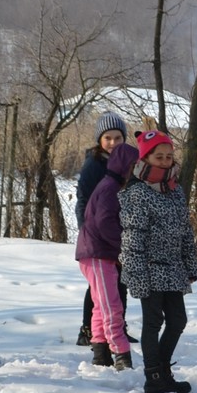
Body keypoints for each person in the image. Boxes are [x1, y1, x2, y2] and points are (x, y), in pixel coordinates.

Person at [119, 130, 197, 393]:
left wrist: (191, 265)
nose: (165, 161)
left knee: (178, 320)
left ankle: (163, 370)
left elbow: (185, 230)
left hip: (174, 268)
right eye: (158, 156)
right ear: (146, 158)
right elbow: (132, 237)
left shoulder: (175, 189)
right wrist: (136, 275)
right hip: (149, 268)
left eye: (168, 156)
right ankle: (154, 377)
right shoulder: (137, 192)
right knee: (153, 322)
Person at [76, 142, 138, 371]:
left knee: (101, 306)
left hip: (96, 253)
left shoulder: (111, 186)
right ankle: (121, 354)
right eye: (133, 166)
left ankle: (100, 353)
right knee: (112, 306)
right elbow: (104, 223)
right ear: (124, 166)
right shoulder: (110, 188)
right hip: (97, 254)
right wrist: (124, 246)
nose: (135, 172)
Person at [73, 111, 128, 346]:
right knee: (99, 286)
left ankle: (118, 327)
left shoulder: (126, 162)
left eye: (117, 137)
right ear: (99, 140)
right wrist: (88, 231)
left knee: (120, 283)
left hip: (118, 231)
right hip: (97, 236)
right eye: (108, 138)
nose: (113, 143)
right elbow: (83, 200)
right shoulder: (94, 165)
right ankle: (88, 330)